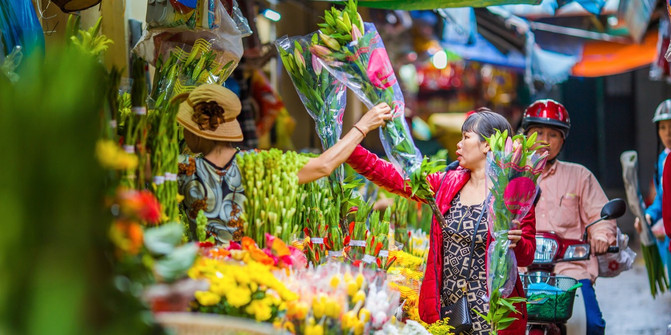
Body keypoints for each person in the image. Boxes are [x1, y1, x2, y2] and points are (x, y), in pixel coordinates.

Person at [346, 110, 536, 334]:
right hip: (449, 310)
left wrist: (517, 241)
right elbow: (396, 179)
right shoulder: (446, 182)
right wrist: (348, 148)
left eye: (466, 137)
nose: (459, 144)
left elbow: (526, 255)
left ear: (487, 145)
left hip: (493, 316)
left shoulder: (512, 195)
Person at [175, 84, 392, 241]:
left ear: (196, 132)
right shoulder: (258, 164)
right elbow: (323, 165)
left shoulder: (181, 168)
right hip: (248, 269)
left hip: (201, 275)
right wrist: (362, 126)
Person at [521, 99, 616, 335]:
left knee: (592, 326)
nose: (544, 140)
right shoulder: (510, 174)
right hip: (520, 271)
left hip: (570, 271)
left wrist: (602, 235)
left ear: (562, 140)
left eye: (553, 134)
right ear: (526, 135)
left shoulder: (580, 176)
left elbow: (601, 215)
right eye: (538, 132)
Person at [635, 100, 671, 269]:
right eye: (662, 127)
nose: (668, 133)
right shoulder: (662, 160)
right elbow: (661, 197)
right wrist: (648, 216)